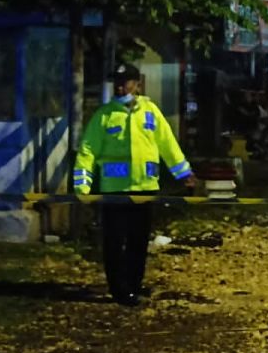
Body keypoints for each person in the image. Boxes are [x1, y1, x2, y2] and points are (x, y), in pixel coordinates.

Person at [74, 64, 197, 307]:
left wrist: (184, 174)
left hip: (145, 188)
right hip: (114, 191)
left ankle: (134, 286)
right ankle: (120, 291)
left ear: (137, 84)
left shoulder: (150, 112)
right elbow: (87, 151)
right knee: (114, 242)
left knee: (138, 242)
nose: (121, 86)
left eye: (126, 82)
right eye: (118, 82)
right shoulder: (105, 115)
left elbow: (167, 144)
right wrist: (82, 186)